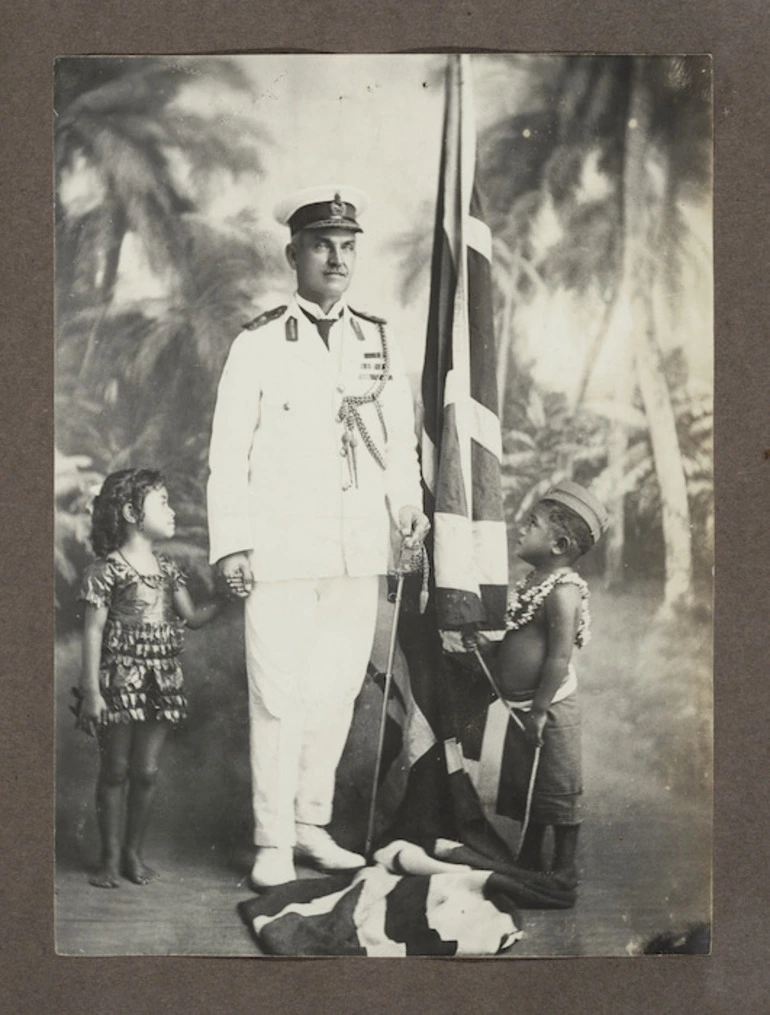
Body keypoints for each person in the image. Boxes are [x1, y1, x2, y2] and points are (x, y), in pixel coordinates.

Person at [207, 184, 429, 890]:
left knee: (334, 692)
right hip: (278, 551)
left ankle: (310, 823)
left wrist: (409, 512)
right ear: (293, 254)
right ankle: (271, 837)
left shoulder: (378, 338)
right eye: (322, 245)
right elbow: (227, 453)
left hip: (357, 549)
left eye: (347, 246)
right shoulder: (259, 341)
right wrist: (233, 544)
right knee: (277, 695)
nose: (336, 257)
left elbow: (398, 450)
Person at [73, 468, 224, 888]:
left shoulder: (167, 570)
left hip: (162, 682)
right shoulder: (106, 571)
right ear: (130, 512)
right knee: (116, 769)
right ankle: (107, 859)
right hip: (118, 683)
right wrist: (91, 693)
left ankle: (132, 855)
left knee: (147, 771)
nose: (172, 511)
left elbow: (192, 618)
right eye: (163, 503)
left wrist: (226, 598)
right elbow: (92, 631)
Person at [469, 480, 608, 880]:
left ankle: (564, 865)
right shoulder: (532, 583)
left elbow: (559, 656)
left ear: (559, 545)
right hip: (523, 709)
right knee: (527, 783)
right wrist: (488, 647)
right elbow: (519, 638)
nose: (521, 528)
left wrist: (542, 710)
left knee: (557, 783)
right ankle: (529, 855)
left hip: (549, 708)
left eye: (532, 524)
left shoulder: (564, 591)